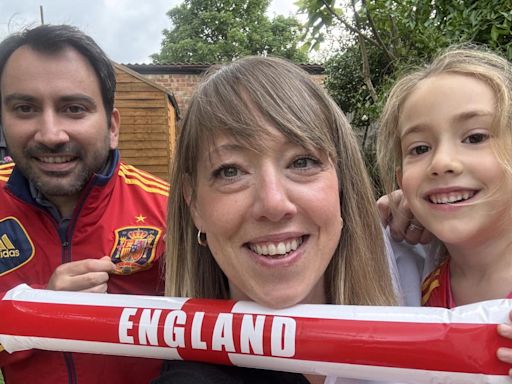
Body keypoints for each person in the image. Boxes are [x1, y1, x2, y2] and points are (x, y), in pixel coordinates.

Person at [154, 56, 398, 384]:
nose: (273, 203)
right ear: (194, 203)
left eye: (302, 161)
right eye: (230, 171)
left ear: (343, 183)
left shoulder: (422, 289)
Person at [0, 25, 168, 383]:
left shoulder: (170, 211)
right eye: (25, 108)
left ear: (111, 127)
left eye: (73, 109)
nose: (50, 134)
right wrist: (35, 311)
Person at [376, 45, 512, 369]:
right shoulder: (419, 289)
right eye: (419, 148)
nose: (441, 163)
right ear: (402, 181)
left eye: (475, 137)